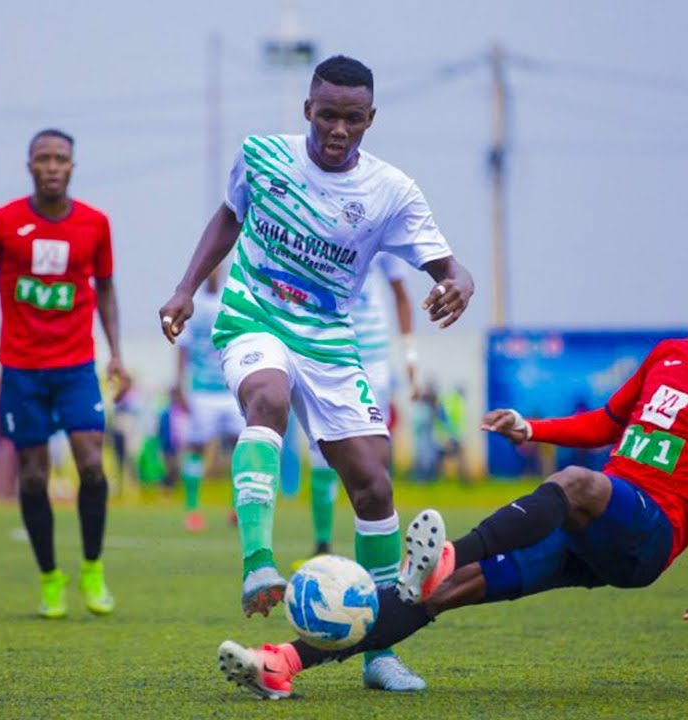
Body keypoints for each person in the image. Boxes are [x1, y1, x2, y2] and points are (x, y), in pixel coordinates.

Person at [215, 251, 688, 700]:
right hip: (587, 529)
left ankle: (447, 554)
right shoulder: (668, 355)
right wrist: (531, 428)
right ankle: (282, 662)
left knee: (576, 483)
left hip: (648, 534)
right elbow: (607, 422)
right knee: (435, 593)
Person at [159, 55, 474, 692]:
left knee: (374, 486)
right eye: (327, 115)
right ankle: (258, 562)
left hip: (330, 339)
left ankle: (380, 656)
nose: (338, 129)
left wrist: (460, 283)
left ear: (370, 118)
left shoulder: (391, 191)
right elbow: (229, 216)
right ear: (308, 109)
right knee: (267, 398)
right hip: (253, 314)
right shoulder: (262, 157)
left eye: (352, 118)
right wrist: (187, 288)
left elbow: (446, 265)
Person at [0, 128, 131, 619]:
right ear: (30, 166)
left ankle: (92, 568)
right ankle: (50, 578)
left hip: (75, 366)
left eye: (60, 158)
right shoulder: (1, 223)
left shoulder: (95, 224)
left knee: (91, 463)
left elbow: (106, 289)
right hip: (21, 369)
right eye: (43, 158)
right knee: (33, 476)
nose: (52, 166)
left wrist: (115, 353)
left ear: (72, 166)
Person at [302, 252, 419, 559]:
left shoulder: (384, 232)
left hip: (373, 359)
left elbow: (401, 293)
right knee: (321, 449)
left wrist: (409, 355)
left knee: (374, 448)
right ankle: (322, 544)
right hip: (329, 352)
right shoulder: (318, 229)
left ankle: (381, 547)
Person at [175, 266, 244, 532]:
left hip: (229, 389)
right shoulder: (193, 305)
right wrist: (180, 384)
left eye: (217, 269)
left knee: (241, 446)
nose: (214, 273)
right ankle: (192, 509)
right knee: (196, 447)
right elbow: (183, 348)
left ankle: (237, 507)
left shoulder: (232, 300)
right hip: (202, 390)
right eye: (210, 270)